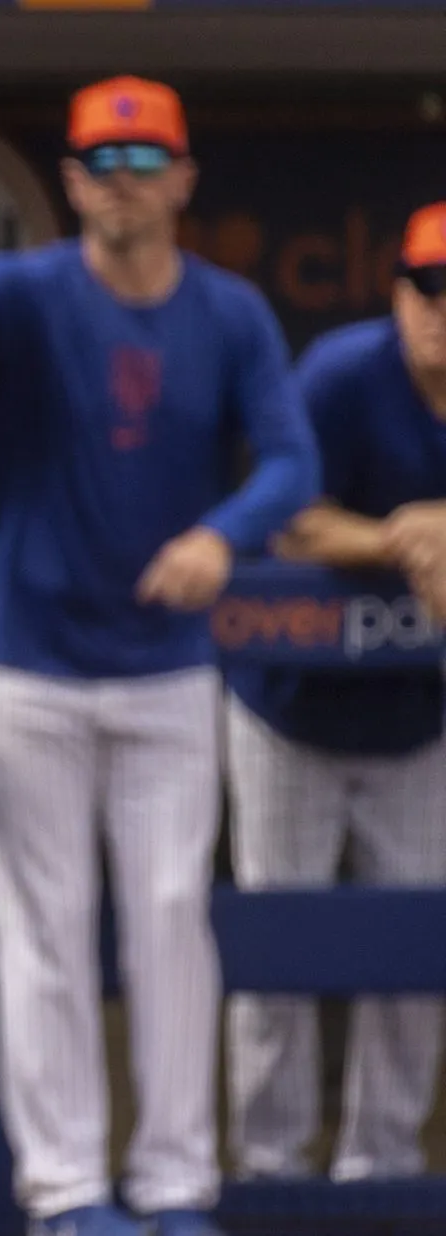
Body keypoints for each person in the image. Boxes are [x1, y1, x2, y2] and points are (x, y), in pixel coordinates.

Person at [0, 76, 318, 1236]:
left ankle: (175, 1188)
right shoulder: (31, 293)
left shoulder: (231, 311)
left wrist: (221, 534)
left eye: (147, 163)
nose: (124, 184)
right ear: (72, 182)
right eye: (104, 163)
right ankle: (68, 1196)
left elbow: (291, 462)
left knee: (168, 922)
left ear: (185, 180)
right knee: (40, 934)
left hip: (164, 668)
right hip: (23, 664)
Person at [222, 202, 446, 1184]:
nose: (443, 310)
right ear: (398, 293)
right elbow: (288, 521)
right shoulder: (343, 374)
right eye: (428, 288)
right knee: (278, 949)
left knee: (415, 958)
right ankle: (268, 1165)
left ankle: (381, 1165)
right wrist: (404, 535)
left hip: (421, 719)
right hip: (292, 711)